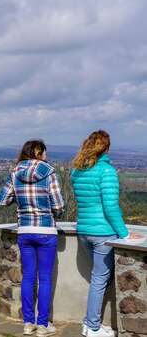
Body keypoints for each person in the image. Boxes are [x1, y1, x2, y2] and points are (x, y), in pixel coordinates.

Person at [71, 130, 142, 337]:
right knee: (100, 278)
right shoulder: (107, 171)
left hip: (83, 231)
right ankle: (92, 326)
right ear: (106, 148)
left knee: (101, 276)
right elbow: (110, 207)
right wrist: (125, 234)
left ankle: (90, 323)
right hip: (103, 233)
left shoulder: (77, 171)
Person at [0, 139, 64, 337]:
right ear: (38, 152)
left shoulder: (15, 172)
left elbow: (2, 200)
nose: (46, 156)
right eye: (44, 153)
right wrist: (52, 213)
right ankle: (42, 325)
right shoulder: (49, 172)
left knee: (28, 278)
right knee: (44, 279)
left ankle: (28, 323)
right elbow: (58, 206)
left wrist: (18, 199)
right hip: (45, 231)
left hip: (25, 231)